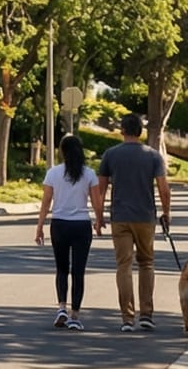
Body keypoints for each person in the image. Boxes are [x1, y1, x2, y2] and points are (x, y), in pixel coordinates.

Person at [93, 113, 172, 333]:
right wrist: (167, 213)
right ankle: (146, 314)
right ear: (140, 132)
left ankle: (127, 317)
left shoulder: (111, 155)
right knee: (146, 263)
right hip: (145, 217)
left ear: (122, 131)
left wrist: (99, 218)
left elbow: (100, 189)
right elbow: (164, 190)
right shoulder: (153, 156)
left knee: (124, 266)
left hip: (120, 217)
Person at [35, 132, 96, 330]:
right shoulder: (89, 174)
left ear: (62, 152)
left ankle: (62, 306)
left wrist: (40, 227)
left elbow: (45, 203)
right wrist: (100, 220)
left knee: (61, 268)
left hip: (59, 224)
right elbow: (96, 202)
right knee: (79, 271)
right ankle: (75, 315)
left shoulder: (53, 173)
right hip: (81, 225)